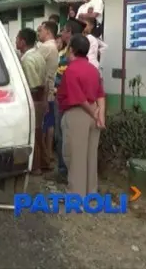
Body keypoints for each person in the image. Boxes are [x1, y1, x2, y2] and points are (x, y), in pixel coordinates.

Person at [57, 34, 105, 196]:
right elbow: (100, 94)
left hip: (78, 112)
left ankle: (76, 195)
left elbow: (78, 97)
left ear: (71, 49)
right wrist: (99, 115)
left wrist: (93, 113)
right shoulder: (93, 69)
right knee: (91, 156)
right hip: (93, 112)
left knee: (75, 156)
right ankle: (91, 192)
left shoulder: (71, 70)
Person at [51, 19, 86, 184]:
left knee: (63, 136)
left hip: (66, 101)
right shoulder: (65, 52)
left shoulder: (71, 57)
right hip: (63, 99)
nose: (62, 33)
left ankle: (65, 171)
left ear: (70, 33)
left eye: (64, 30)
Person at [16, 28, 47, 176]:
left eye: (17, 39)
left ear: (22, 42)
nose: (15, 42)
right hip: (41, 99)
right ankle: (43, 162)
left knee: (32, 134)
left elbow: (32, 86)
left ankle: (35, 167)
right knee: (38, 133)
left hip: (33, 100)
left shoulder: (27, 59)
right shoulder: (38, 55)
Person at [36, 21, 59, 172]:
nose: (39, 33)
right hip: (51, 91)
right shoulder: (54, 47)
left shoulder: (46, 47)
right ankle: (48, 154)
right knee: (49, 125)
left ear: (48, 32)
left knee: (42, 127)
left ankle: (43, 157)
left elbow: (33, 59)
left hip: (44, 92)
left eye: (41, 30)